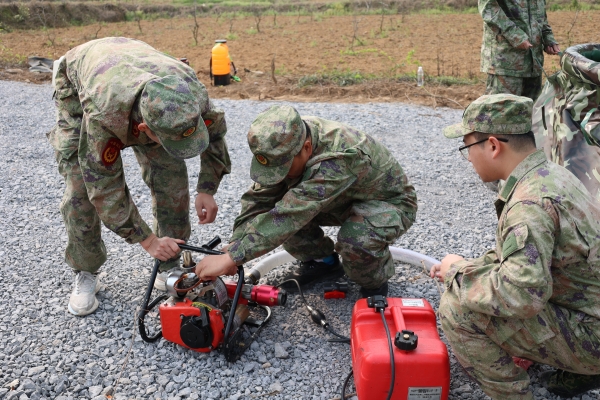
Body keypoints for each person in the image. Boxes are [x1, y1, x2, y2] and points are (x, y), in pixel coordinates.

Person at [431, 94, 600, 399]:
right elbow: (523, 259)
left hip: (594, 336)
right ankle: (578, 374)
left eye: (467, 148)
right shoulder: (552, 174)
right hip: (590, 309)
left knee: (458, 309)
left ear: (493, 146)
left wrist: (456, 274)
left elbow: (522, 296)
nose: (469, 159)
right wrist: (469, 267)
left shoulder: (529, 203)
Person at [49, 37, 231, 316]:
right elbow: (103, 186)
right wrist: (147, 240)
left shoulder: (190, 96)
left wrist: (207, 187)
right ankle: (86, 269)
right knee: (80, 191)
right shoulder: (104, 114)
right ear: (144, 129)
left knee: (171, 179)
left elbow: (214, 133)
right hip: (84, 83)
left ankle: (170, 263)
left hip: (134, 66)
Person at [195, 105, 417, 297]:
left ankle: (374, 284)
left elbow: (290, 214)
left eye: (283, 167)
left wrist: (234, 256)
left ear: (307, 148)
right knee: (279, 212)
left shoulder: (339, 158)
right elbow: (259, 200)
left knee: (355, 239)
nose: (279, 174)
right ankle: (324, 263)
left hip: (387, 203)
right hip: (338, 199)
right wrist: (235, 246)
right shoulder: (285, 140)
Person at [479, 0, 560, 100]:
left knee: (533, 108)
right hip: (506, 63)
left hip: (533, 63)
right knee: (505, 108)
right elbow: (489, 8)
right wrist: (515, 35)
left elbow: (539, 11)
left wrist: (547, 36)